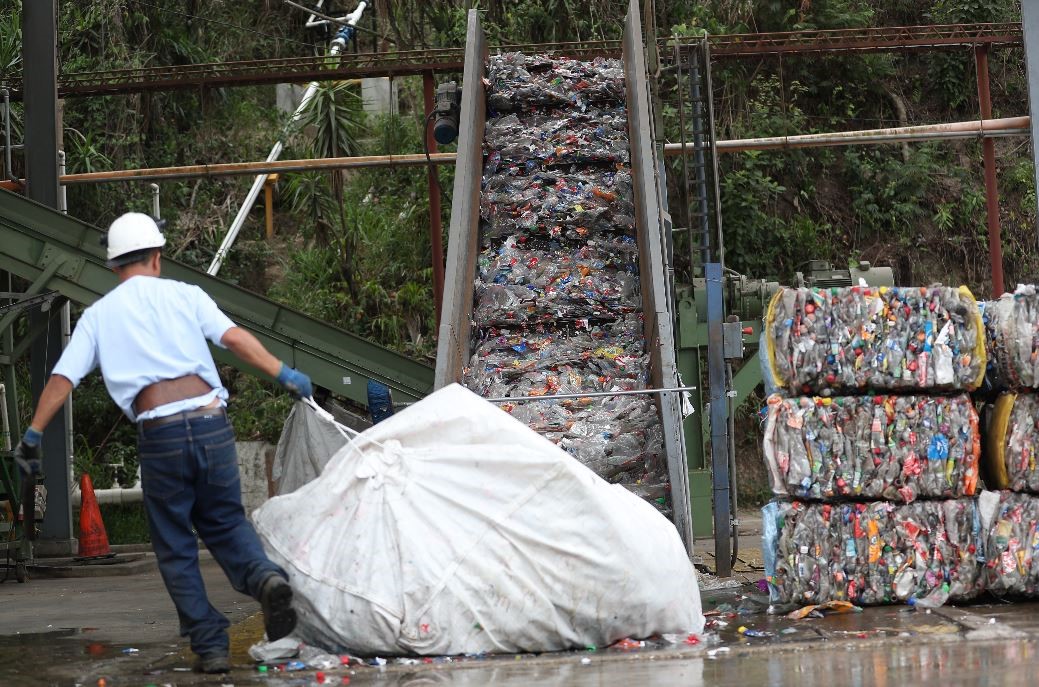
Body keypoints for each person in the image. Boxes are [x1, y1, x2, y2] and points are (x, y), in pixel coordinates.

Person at [12, 212, 313, 674]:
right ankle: (265, 579)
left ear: (114, 266)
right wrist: (284, 373)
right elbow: (234, 339)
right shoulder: (186, 295)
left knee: (175, 546)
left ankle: (211, 647)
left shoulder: (99, 316)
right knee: (226, 523)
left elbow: (62, 378)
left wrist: (33, 434)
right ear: (157, 257)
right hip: (211, 423)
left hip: (162, 433)